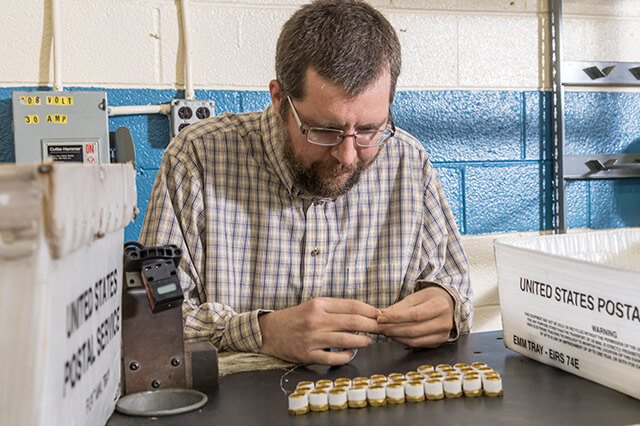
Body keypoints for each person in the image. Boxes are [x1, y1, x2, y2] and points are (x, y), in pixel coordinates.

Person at [140, 0, 472, 366]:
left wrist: (446, 306)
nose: (347, 155)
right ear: (280, 99)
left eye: (368, 130)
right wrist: (262, 332)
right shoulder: (197, 158)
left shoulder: (408, 162)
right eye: (324, 131)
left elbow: (456, 292)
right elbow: (154, 319)